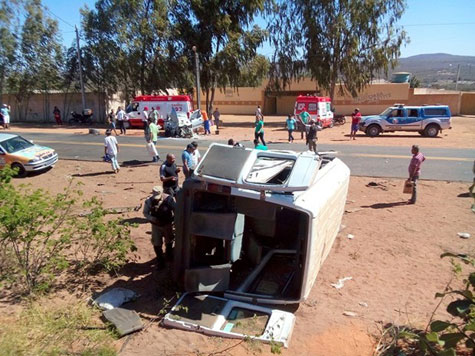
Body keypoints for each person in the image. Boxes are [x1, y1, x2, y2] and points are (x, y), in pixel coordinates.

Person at [143, 186, 176, 269]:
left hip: (167, 225)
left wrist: (175, 220)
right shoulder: (149, 201)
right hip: (156, 226)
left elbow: (176, 210)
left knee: (169, 241)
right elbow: (145, 213)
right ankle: (160, 261)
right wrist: (152, 218)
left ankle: (169, 256)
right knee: (157, 243)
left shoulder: (169, 200)